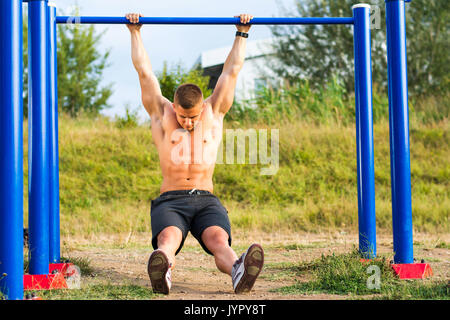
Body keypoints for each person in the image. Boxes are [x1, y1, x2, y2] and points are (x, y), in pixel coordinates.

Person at [126, 13, 264, 295]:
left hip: (206, 199)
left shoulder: (213, 113)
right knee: (168, 238)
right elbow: (144, 73)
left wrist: (242, 32)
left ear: (202, 108)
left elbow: (231, 72)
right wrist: (135, 32)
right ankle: (162, 271)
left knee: (218, 240)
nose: (187, 123)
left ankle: (239, 272)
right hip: (171, 200)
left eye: (193, 117)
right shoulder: (162, 114)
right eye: (182, 116)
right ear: (173, 107)